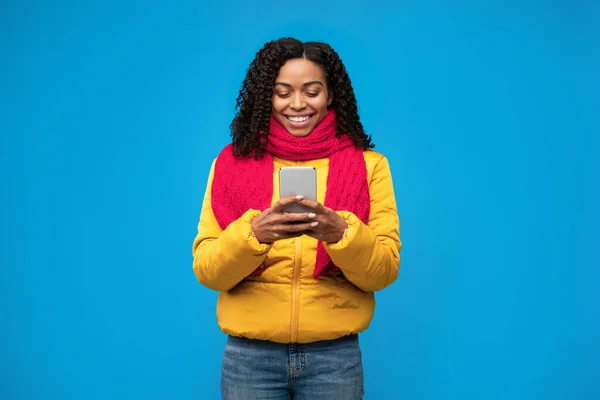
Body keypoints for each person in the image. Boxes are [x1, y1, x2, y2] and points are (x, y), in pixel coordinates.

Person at [192, 37, 401, 400]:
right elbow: (209, 271)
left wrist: (342, 235)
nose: (298, 104)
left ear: (331, 95)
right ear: (266, 97)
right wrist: (252, 235)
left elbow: (382, 272)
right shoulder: (230, 165)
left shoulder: (370, 166)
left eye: (312, 90)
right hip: (248, 359)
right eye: (283, 92)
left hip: (335, 358)